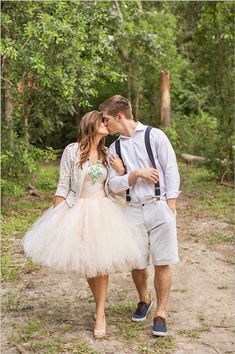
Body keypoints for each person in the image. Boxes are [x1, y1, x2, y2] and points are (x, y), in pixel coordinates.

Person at [22, 110, 144, 339]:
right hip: (78, 208)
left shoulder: (108, 153)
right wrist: (57, 217)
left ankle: (100, 313)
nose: (107, 124)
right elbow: (63, 184)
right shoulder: (72, 151)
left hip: (104, 210)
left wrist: (122, 171)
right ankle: (98, 306)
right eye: (103, 121)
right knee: (90, 263)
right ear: (92, 124)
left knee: (103, 263)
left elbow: (116, 184)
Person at [99, 95, 180, 337]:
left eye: (107, 120)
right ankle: (144, 299)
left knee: (163, 261)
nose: (106, 125)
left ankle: (161, 313)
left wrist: (170, 204)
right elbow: (112, 186)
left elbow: (170, 169)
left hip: (159, 206)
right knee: (137, 262)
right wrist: (132, 175)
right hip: (132, 210)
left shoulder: (154, 136)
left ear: (120, 117)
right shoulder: (114, 149)